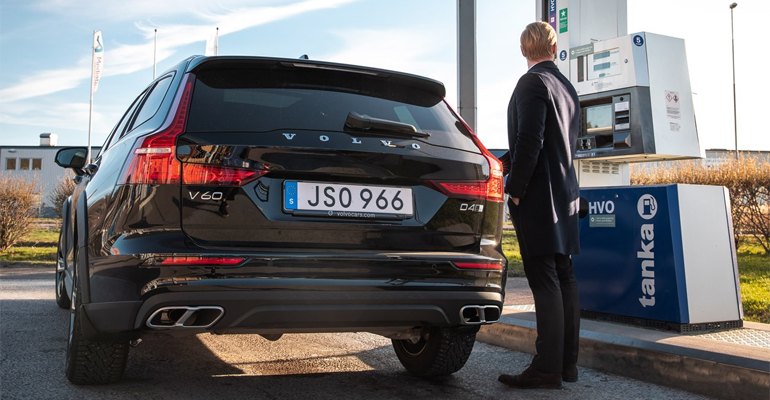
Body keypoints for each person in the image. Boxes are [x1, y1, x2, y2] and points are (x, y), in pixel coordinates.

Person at [498, 21, 581, 390]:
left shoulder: (531, 83)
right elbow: (557, 142)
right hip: (565, 195)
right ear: (554, 48)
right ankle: (567, 366)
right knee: (565, 277)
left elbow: (529, 141)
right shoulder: (566, 87)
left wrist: (515, 189)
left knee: (544, 279)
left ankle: (547, 369)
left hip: (538, 196)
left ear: (523, 50)